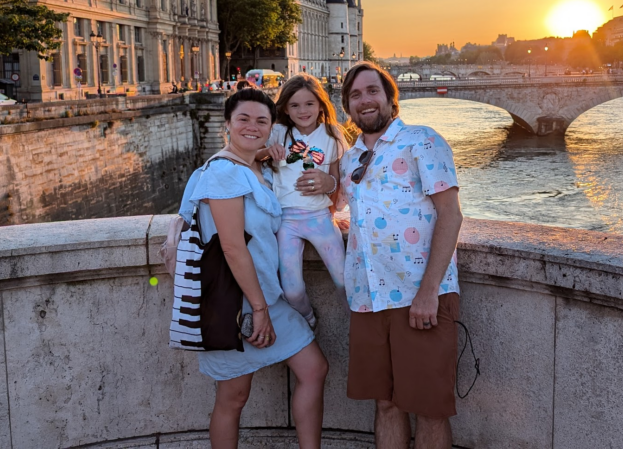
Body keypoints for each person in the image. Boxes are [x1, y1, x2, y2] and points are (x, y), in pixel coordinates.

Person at [178, 88, 328, 449]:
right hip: (237, 302)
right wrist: (258, 310)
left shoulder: (254, 167)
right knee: (234, 396)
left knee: (313, 369)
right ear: (227, 123)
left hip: (268, 296)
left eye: (262, 120)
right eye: (243, 119)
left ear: (271, 126)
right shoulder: (225, 173)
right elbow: (231, 246)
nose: (252, 126)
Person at [338, 62, 464, 449]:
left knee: (429, 409)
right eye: (355, 95)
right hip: (368, 299)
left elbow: (451, 214)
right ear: (348, 107)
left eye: (372, 91)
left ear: (391, 97)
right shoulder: (349, 159)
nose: (365, 101)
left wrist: (429, 292)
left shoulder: (421, 141)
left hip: (419, 297)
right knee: (386, 404)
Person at [259, 74, 347, 329]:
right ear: (285, 108)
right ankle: (307, 318)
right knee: (292, 289)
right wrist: (267, 152)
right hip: (286, 221)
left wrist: (327, 183)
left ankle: (357, 320)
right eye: (295, 105)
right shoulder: (277, 132)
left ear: (321, 104)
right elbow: (244, 157)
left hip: (320, 217)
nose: (303, 110)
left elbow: (339, 181)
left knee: (343, 280)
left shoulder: (332, 135)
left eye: (309, 103)